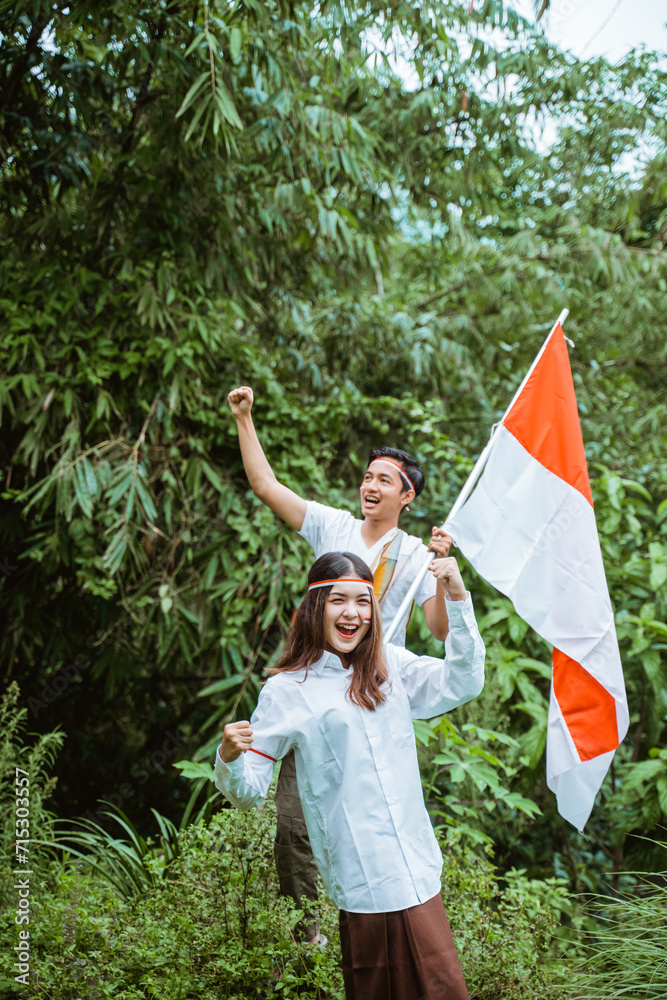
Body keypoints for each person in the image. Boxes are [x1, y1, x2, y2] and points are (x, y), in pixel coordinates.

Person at [227, 384, 454, 941]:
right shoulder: (334, 527)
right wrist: (244, 418)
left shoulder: (414, 554)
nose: (370, 486)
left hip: (376, 695)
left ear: (407, 497)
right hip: (318, 693)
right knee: (295, 822)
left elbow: (439, 630)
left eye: (385, 481)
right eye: (368, 476)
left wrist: (444, 577)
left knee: (379, 819)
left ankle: (383, 927)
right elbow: (265, 486)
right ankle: (307, 940)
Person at [214, 550, 485, 1000]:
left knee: (445, 991)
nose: (352, 613)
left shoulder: (391, 665)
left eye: (363, 601)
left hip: (417, 871)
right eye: (338, 600)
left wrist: (456, 596)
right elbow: (248, 792)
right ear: (315, 607)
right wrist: (229, 755)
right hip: (363, 881)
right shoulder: (287, 691)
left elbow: (463, 681)